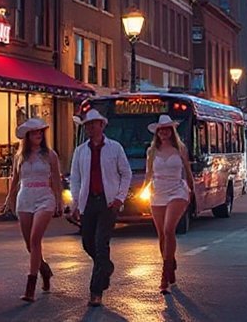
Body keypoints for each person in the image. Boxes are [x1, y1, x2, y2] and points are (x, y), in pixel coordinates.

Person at [69, 108, 132, 307]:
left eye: (92, 124)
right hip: (88, 202)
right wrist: (76, 203)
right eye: (87, 124)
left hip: (108, 202)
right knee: (88, 242)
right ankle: (106, 267)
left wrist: (120, 198)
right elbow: (76, 179)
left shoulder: (115, 148)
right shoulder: (80, 151)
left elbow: (126, 173)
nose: (89, 127)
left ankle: (95, 291)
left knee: (101, 242)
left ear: (102, 126)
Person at [0, 118, 63, 302]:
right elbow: (14, 179)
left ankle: (30, 287)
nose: (38, 135)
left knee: (36, 239)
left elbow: (57, 181)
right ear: (27, 136)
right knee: (29, 244)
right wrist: (8, 199)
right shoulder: (20, 156)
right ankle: (44, 269)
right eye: (35, 132)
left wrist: (59, 201)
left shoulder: (50, 155)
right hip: (25, 197)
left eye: (41, 132)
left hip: (44, 197)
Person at [143, 114, 194, 294]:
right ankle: (170, 263)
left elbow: (187, 171)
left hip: (177, 191)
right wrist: (142, 190)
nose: (163, 132)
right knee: (162, 236)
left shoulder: (180, 148)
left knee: (168, 229)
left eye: (166, 129)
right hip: (158, 192)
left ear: (172, 131)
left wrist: (191, 191)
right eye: (160, 130)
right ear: (157, 133)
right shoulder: (151, 151)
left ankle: (165, 274)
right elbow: (148, 174)